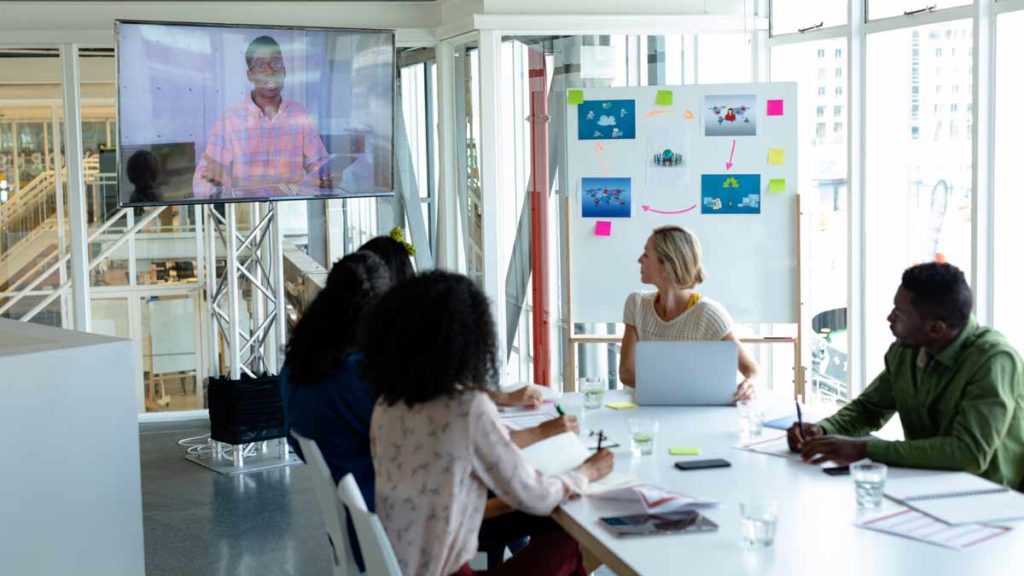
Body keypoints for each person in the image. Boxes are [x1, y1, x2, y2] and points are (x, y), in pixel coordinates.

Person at [364, 271, 613, 576]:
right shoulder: (466, 408)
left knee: (543, 525)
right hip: (449, 570)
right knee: (566, 545)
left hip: (408, 564)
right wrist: (586, 472)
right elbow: (534, 494)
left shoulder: (386, 404)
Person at [788, 262, 1024, 489]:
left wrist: (866, 449)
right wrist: (823, 431)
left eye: (899, 313)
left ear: (936, 329)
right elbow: (868, 410)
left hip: (990, 501)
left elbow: (968, 454)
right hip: (924, 487)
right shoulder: (906, 351)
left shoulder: (993, 360)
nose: (890, 318)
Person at [618, 225, 758, 401]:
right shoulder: (636, 303)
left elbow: (751, 370)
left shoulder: (708, 313)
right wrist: (687, 385)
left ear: (667, 265)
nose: (639, 260)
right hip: (644, 409)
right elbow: (626, 373)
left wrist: (749, 385)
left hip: (692, 411)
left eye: (646, 255)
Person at [192, 35, 330, 199]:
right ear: (250, 75)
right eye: (260, 66)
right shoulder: (229, 121)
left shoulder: (299, 115)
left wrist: (327, 176)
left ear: (284, 70)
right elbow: (201, 184)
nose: (270, 71)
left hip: (293, 211)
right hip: (246, 214)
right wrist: (217, 184)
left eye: (276, 63)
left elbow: (318, 163)